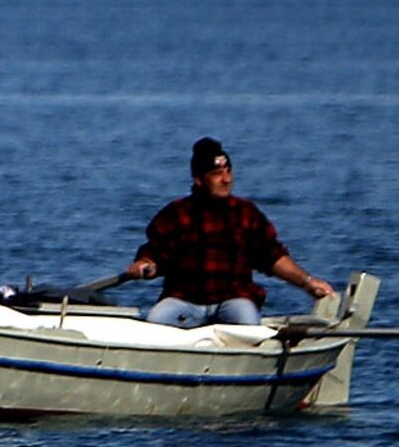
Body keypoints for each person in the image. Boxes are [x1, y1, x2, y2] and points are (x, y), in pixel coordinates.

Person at [123, 138, 337, 327]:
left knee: (248, 325)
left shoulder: (246, 213)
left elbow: (271, 256)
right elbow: (155, 254)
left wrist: (307, 282)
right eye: (217, 174)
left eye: (228, 172)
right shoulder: (176, 214)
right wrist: (145, 264)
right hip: (184, 300)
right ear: (199, 179)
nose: (226, 179)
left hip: (233, 299)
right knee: (154, 322)